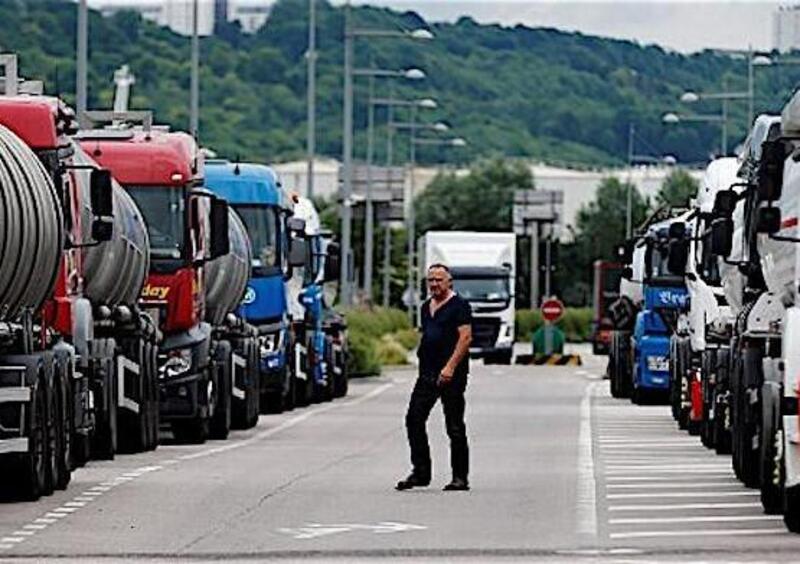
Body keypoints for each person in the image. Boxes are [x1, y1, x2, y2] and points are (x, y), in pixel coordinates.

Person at [396, 263, 473, 492]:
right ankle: (421, 472)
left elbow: (465, 338)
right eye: (430, 280)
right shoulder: (426, 307)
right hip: (427, 373)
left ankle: (460, 477)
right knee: (414, 419)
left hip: (451, 374)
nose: (434, 284)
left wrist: (449, 367)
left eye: (439, 280)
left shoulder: (460, 306)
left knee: (454, 426)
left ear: (449, 282)